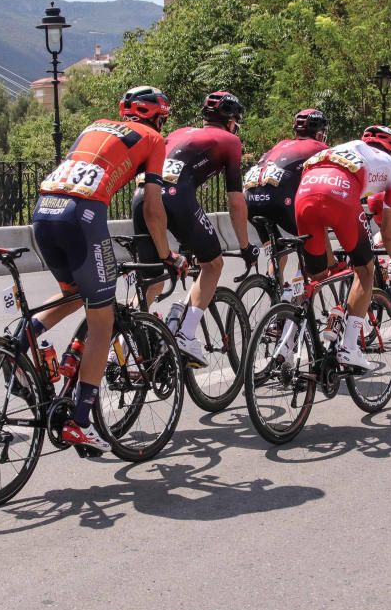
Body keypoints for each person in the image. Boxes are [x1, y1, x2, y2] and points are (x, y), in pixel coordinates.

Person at [29, 86, 175, 453]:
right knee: (102, 321)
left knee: (73, 293)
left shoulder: (94, 127)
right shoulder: (153, 138)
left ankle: (22, 344)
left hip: (44, 211)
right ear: (157, 116)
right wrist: (167, 256)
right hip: (82, 217)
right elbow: (153, 209)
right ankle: (79, 421)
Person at [132, 90, 254, 367]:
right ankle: (186, 334)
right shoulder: (230, 140)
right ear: (232, 121)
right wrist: (245, 247)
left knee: (152, 281)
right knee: (213, 264)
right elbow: (235, 201)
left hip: (141, 198)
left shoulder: (177, 133)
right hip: (175, 199)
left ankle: (128, 337)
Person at [289, 126, 391, 371]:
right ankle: (349, 348)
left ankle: (286, 340)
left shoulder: (347, 147)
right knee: (365, 270)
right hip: (339, 193)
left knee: (317, 276)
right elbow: (389, 232)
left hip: (304, 193)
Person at [243, 108, 328, 284]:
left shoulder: (281, 145)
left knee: (277, 253)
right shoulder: (319, 147)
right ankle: (300, 293)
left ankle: (277, 294)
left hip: (250, 201)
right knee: (311, 246)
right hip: (278, 201)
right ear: (320, 134)